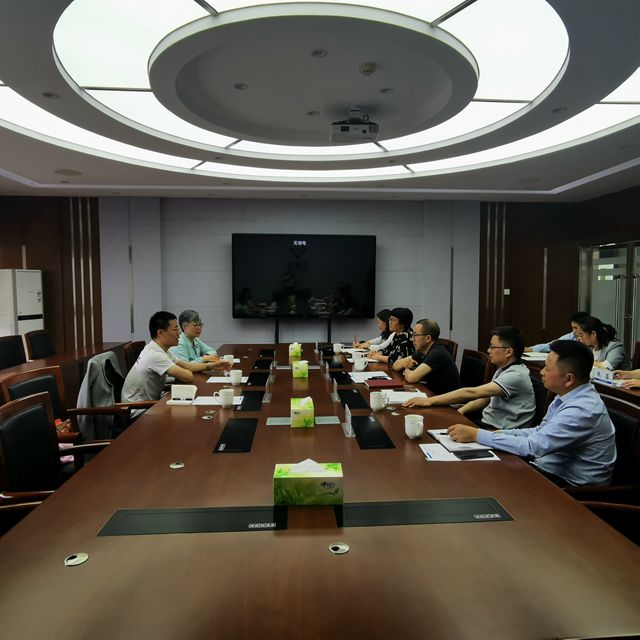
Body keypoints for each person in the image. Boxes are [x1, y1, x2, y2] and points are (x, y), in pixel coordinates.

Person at [447, 340, 617, 486]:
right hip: (548, 469)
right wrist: (498, 434)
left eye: (547, 368)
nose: (541, 372)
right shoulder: (567, 396)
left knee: (483, 478)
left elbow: (533, 447)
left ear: (569, 379)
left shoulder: (582, 409)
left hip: (569, 486)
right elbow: (539, 431)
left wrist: (478, 435)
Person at [404, 325, 535, 430]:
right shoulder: (503, 369)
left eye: (492, 347)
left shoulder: (516, 375)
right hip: (486, 424)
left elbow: (472, 392)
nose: (488, 350)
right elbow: (485, 398)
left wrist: (428, 401)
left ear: (508, 352)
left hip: (500, 432)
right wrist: (461, 411)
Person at [122, 311, 232, 406]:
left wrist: (211, 366)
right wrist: (191, 367)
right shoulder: (154, 355)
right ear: (160, 332)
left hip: (150, 404)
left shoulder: (162, 350)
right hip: (137, 410)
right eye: (175, 329)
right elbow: (187, 376)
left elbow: (187, 365)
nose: (179, 333)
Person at [392, 318, 460, 395]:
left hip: (447, 400)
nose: (412, 339)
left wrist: (406, 367)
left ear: (428, 338)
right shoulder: (423, 351)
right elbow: (395, 365)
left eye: (415, 335)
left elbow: (412, 378)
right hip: (433, 394)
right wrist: (405, 363)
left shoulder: (437, 353)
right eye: (412, 335)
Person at [525, 311, 589, 352]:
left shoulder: (592, 338)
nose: (574, 331)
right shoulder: (571, 336)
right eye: (572, 328)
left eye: (576, 328)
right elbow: (552, 345)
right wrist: (531, 349)